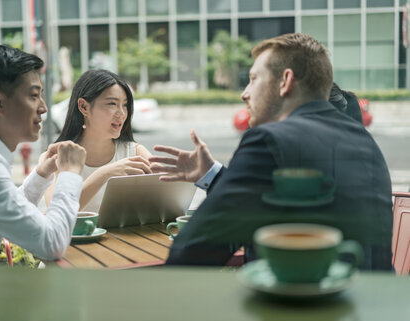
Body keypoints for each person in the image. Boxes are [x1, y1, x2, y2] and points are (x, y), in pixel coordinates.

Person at [150, 33, 393, 270]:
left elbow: (192, 254)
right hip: (370, 303)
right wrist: (212, 174)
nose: (244, 93)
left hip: (300, 306)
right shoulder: (365, 143)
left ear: (285, 81)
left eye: (254, 79)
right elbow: (293, 209)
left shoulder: (269, 140)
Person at [0, 44, 87, 265]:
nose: (43, 107)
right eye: (34, 96)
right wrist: (70, 174)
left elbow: (7, 208)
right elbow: (52, 244)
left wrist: (41, 174)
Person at [44, 69, 152, 212]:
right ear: (84, 107)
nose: (121, 113)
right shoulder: (58, 157)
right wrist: (104, 174)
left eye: (125, 105)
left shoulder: (135, 152)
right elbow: (56, 212)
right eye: (112, 104)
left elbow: (169, 191)